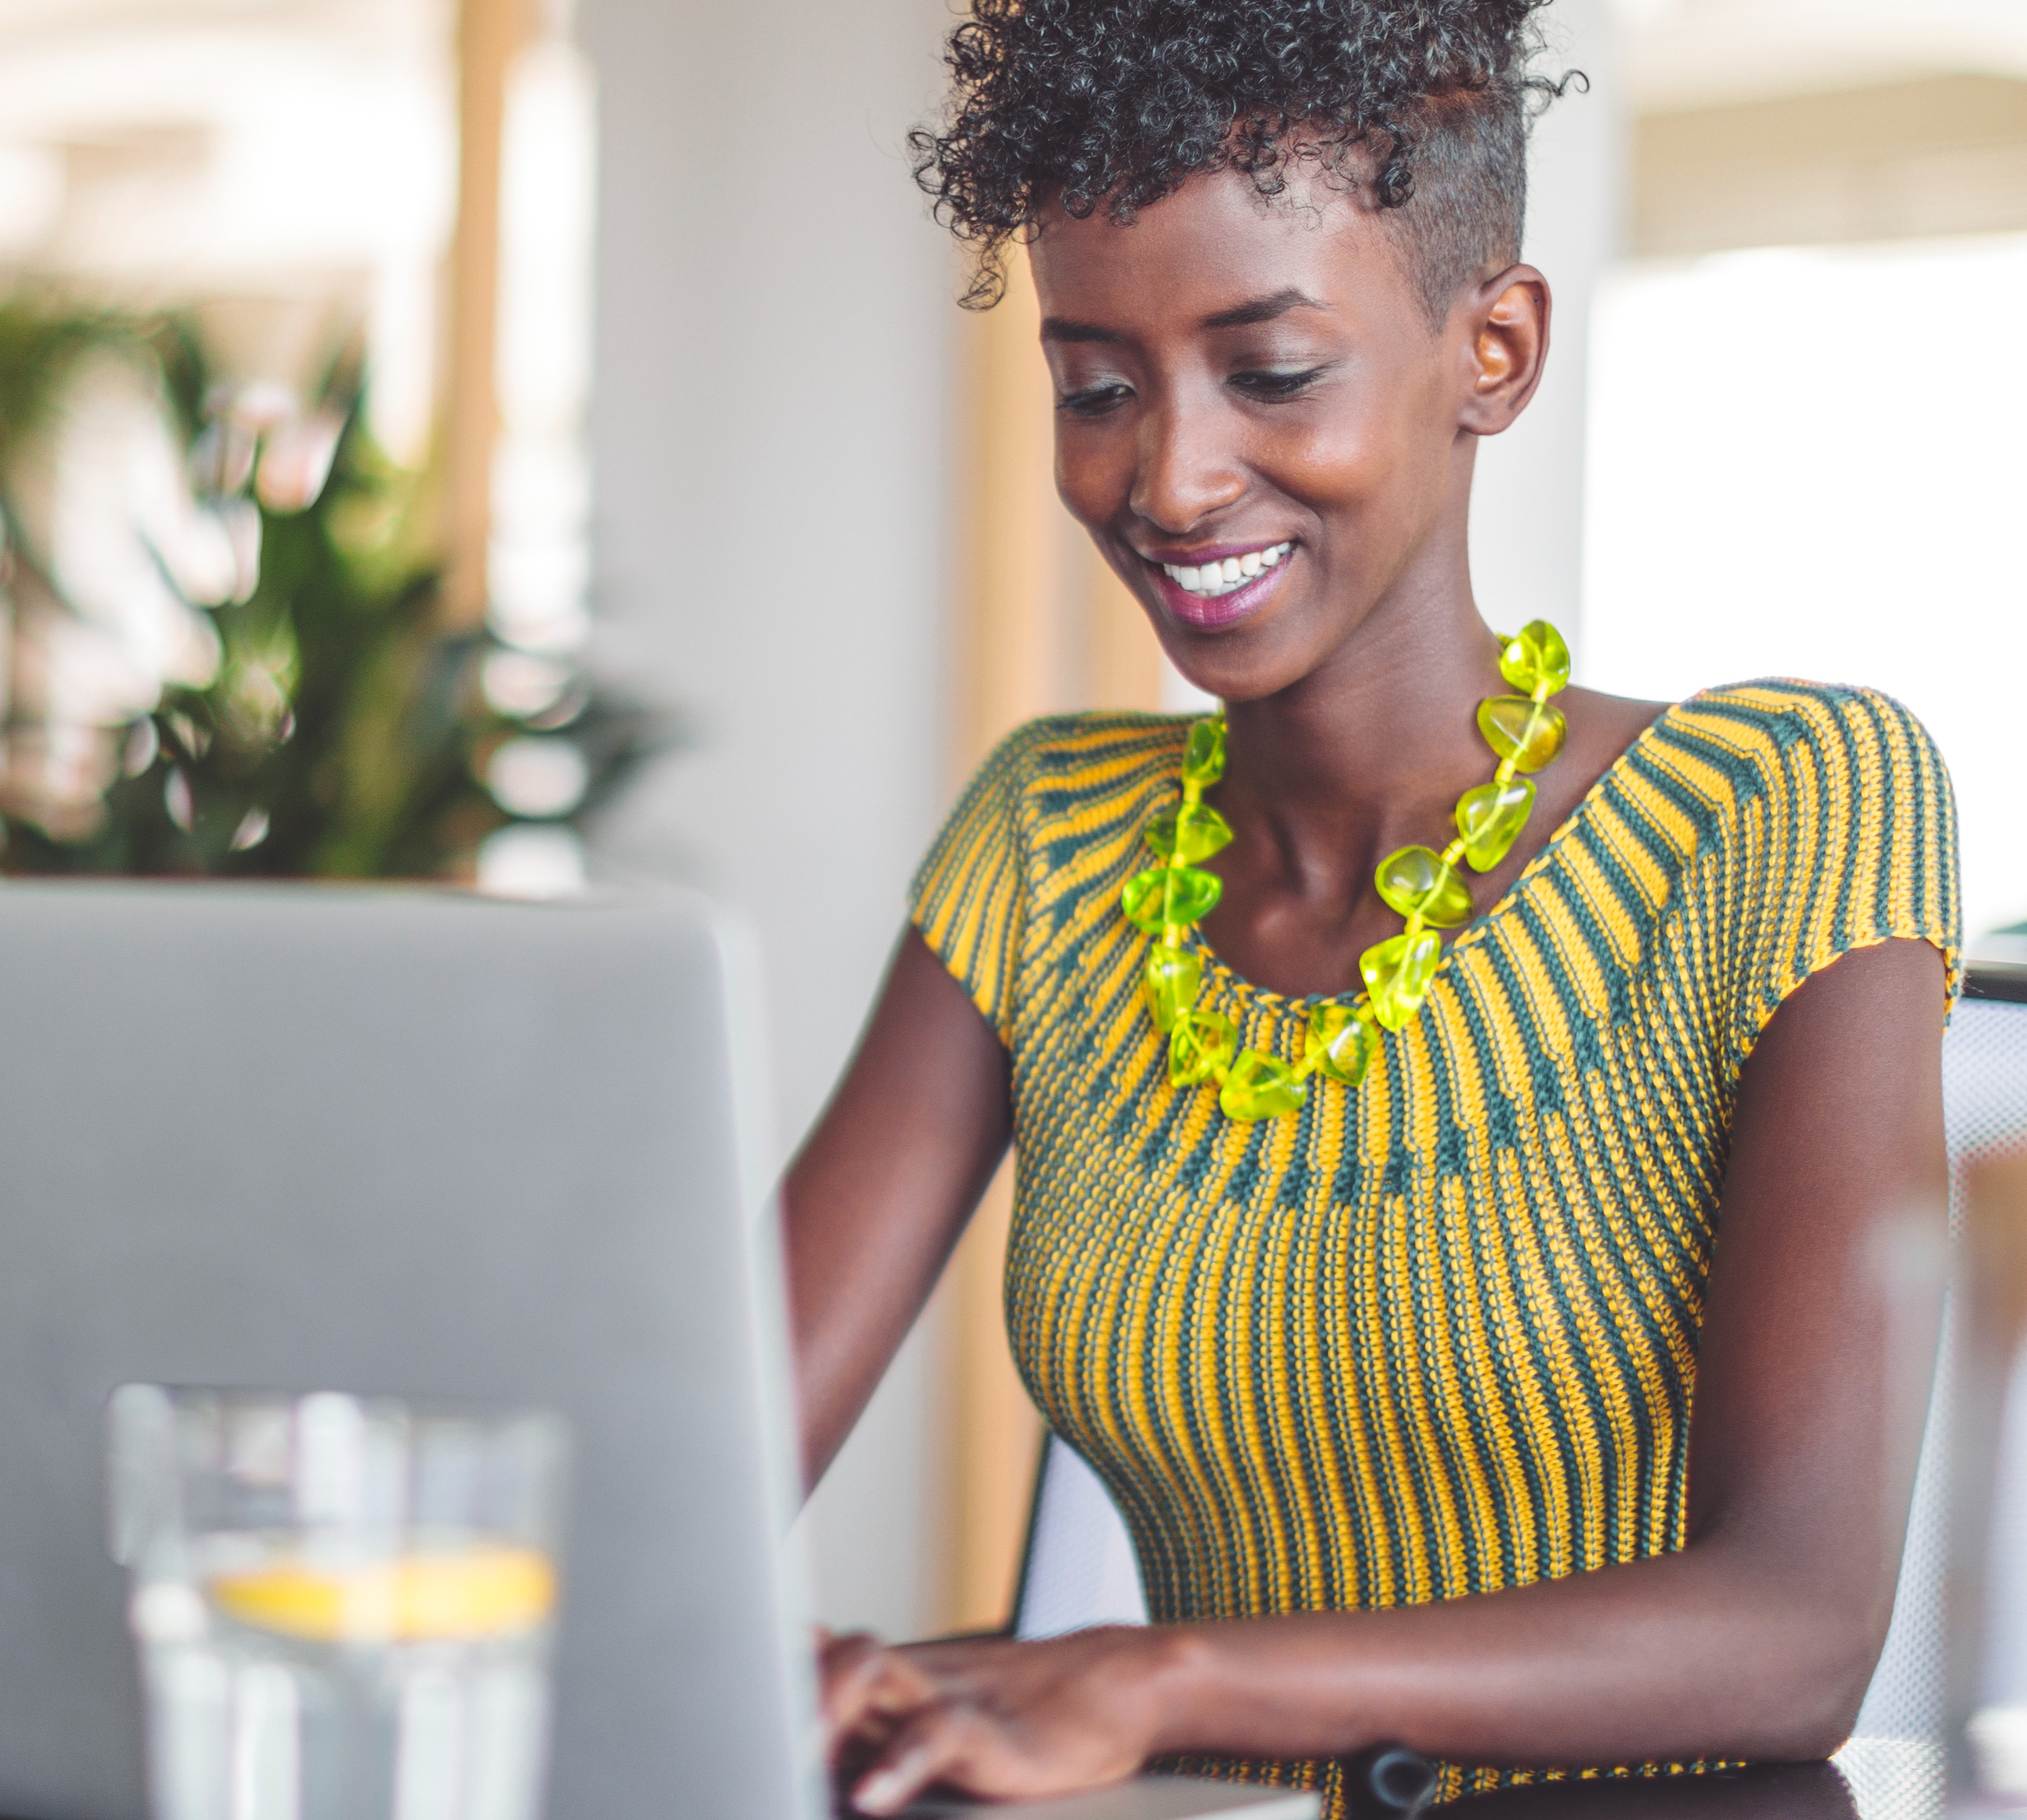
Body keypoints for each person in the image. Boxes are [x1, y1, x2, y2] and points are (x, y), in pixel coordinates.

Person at [791, 2, 1959, 1809]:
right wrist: (861, 1669)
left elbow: (1796, 1627)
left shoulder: (1788, 808)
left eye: (1269, 372)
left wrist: (1155, 1674)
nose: (1166, 478)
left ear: (1491, 349)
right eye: (1096, 384)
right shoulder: (1044, 843)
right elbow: (699, 1483)